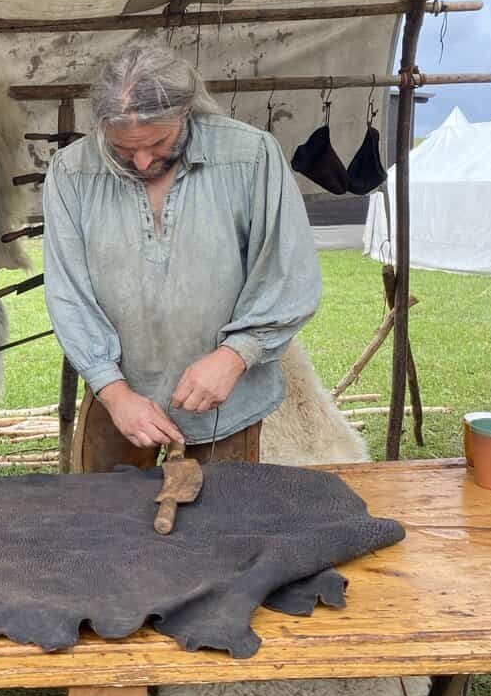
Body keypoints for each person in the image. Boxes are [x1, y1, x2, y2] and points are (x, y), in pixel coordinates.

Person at [44, 38, 321, 467]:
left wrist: (235, 356)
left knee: (219, 525)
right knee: (105, 525)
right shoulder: (71, 172)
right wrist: (114, 393)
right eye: (121, 148)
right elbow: (69, 295)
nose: (139, 162)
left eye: (156, 144)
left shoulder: (251, 157)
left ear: (186, 112)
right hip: (118, 398)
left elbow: (288, 273)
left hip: (226, 405)